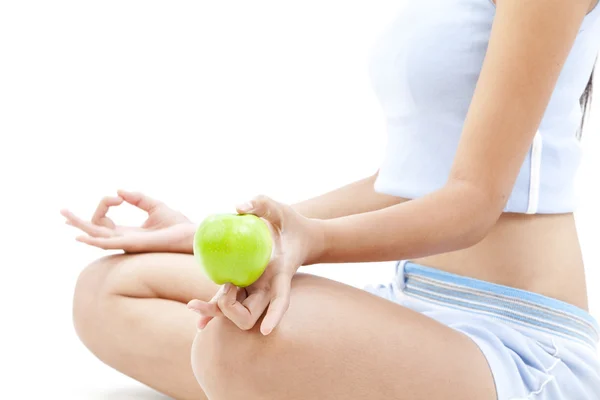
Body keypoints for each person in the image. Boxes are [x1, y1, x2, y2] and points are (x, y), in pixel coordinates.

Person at [62, 0, 600, 399]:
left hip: (520, 343)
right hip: (412, 303)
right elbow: (402, 181)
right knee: (109, 290)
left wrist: (312, 242)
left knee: (236, 346)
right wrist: (230, 232)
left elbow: (474, 201)